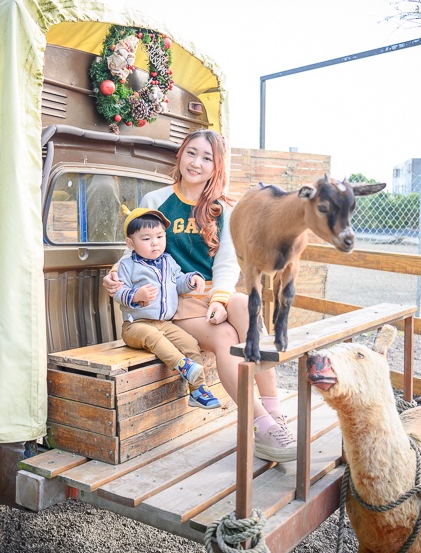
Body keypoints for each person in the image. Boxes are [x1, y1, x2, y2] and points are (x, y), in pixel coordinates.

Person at [104, 129, 297, 462]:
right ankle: (260, 424)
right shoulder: (155, 201)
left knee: (244, 308)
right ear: (180, 156)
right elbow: (137, 249)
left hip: (211, 294)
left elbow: (226, 264)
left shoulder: (223, 210)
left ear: (216, 166)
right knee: (226, 340)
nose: (196, 162)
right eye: (191, 153)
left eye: (207, 157)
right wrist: (117, 279)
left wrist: (221, 300)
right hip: (175, 299)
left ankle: (274, 412)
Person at [114, 206, 221, 409]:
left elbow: (178, 281)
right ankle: (183, 365)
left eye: (160, 237)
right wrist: (136, 295)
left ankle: (198, 390)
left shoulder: (168, 261)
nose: (155, 243)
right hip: (136, 326)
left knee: (190, 342)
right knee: (153, 337)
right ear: (131, 243)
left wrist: (191, 279)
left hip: (164, 323)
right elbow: (118, 292)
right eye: (146, 239)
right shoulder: (128, 266)